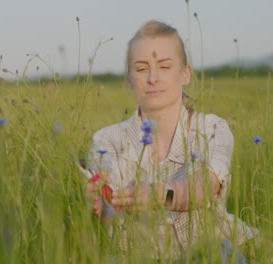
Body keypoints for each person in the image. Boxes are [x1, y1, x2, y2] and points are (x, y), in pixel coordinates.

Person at [85, 20, 258, 262]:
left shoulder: (211, 128)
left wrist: (159, 195)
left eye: (165, 66)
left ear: (185, 73)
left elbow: (205, 187)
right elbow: (108, 207)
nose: (153, 78)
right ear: (130, 78)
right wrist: (100, 205)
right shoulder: (106, 139)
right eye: (142, 68)